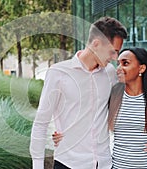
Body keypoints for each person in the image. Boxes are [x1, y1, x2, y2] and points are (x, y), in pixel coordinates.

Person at [30, 16, 127, 169]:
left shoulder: (110, 73)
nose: (115, 58)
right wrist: (37, 165)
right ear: (96, 44)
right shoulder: (58, 73)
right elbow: (41, 123)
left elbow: (130, 100)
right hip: (69, 163)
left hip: (103, 163)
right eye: (112, 52)